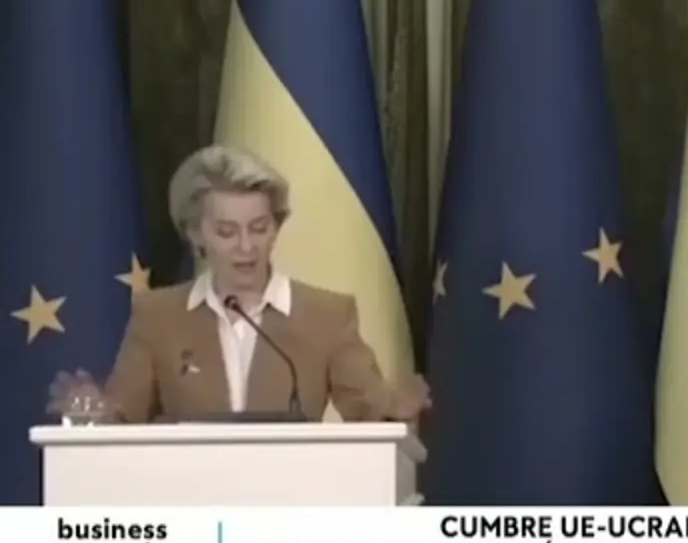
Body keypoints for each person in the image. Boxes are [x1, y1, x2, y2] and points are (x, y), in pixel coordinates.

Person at [49, 145, 431, 423]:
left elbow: (370, 412)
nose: (246, 247)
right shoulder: (158, 317)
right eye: (227, 232)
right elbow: (121, 418)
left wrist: (393, 410)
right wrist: (93, 413)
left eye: (259, 228)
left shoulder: (326, 316)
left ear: (276, 229)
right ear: (196, 234)